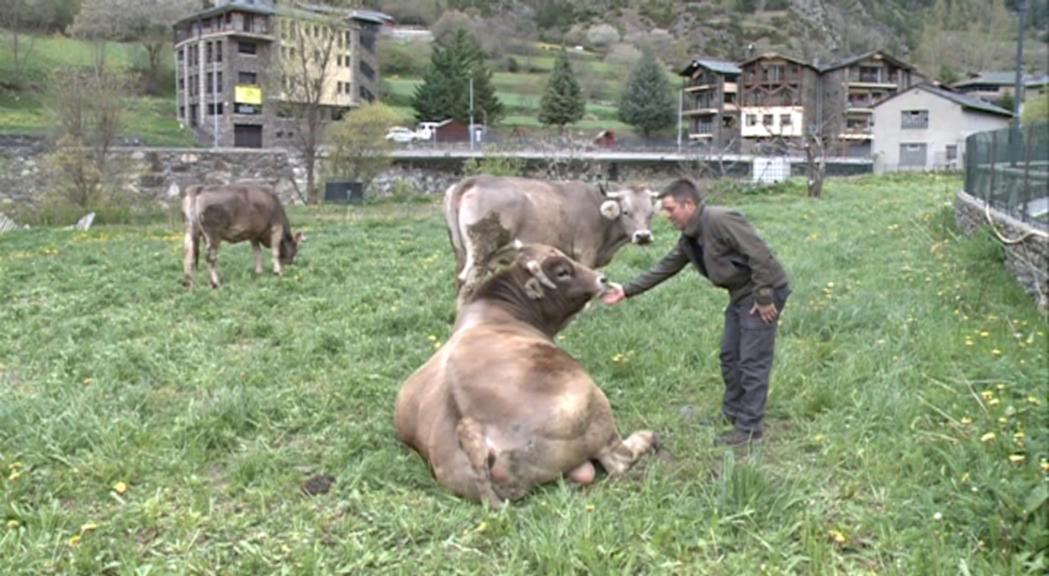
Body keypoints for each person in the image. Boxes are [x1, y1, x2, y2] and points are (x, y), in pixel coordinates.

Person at [602, 178, 791, 446]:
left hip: (763, 292)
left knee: (752, 360)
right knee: (730, 355)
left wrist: (763, 297)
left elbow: (760, 255)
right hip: (741, 294)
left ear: (688, 204)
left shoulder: (721, 219)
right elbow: (666, 266)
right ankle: (733, 413)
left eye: (670, 209)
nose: (666, 216)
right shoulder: (691, 236)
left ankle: (750, 429)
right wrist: (627, 290)